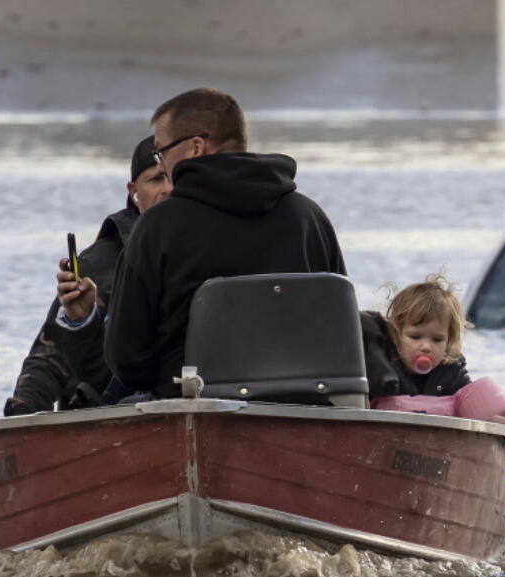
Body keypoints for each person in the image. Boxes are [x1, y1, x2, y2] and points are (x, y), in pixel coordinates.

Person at [104, 87, 346, 399]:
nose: (162, 165)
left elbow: (128, 360)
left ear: (195, 147)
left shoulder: (158, 227)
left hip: (192, 410)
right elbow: (340, 330)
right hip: (301, 408)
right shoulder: (309, 217)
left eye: (162, 151)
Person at [3, 136, 170, 415]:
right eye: (155, 179)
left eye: (174, 177)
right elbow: (49, 360)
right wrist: (22, 417)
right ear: (133, 191)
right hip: (113, 415)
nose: (167, 190)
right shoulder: (98, 266)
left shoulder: (213, 247)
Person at [367, 273, 505, 444]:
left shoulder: (453, 373)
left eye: (437, 339)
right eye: (415, 337)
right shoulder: (380, 372)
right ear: (396, 336)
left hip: (437, 453)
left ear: (449, 342)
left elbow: (476, 425)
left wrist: (500, 431)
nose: (426, 346)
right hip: (385, 444)